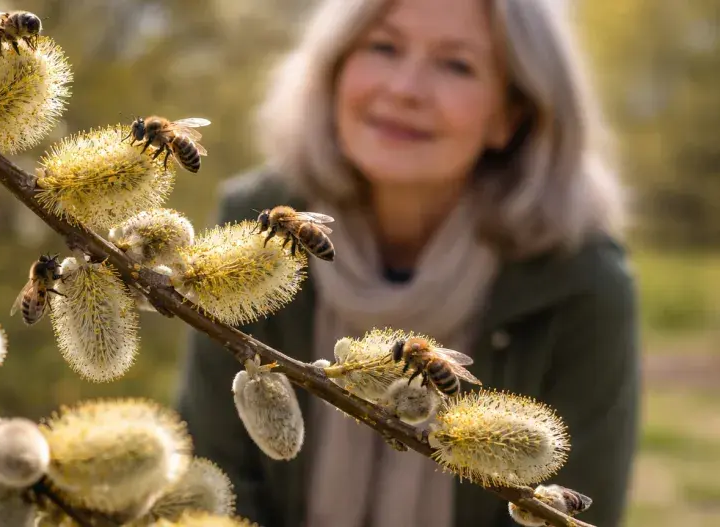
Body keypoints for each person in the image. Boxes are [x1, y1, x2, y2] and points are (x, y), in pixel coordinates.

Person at [173, 0, 640, 526]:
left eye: (456, 64)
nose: (404, 89)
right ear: (335, 70)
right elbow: (213, 474)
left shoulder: (582, 284)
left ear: (510, 116)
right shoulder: (252, 228)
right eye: (383, 47)